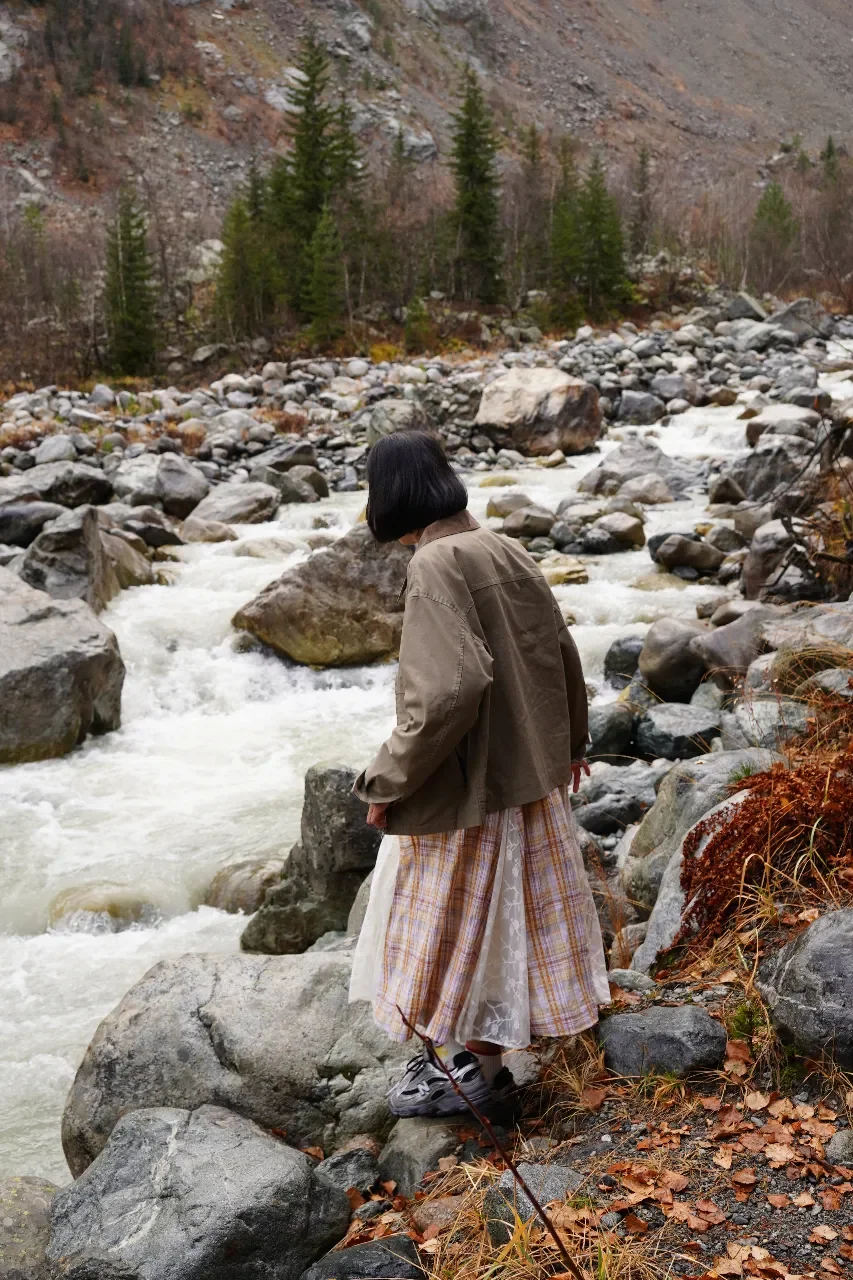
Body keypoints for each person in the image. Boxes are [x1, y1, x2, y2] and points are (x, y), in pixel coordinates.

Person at [349, 429, 609, 1118]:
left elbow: (447, 692)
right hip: (527, 775)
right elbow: (560, 648)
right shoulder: (500, 545)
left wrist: (388, 780)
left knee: (450, 925)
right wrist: (571, 741)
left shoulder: (435, 565)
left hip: (473, 786)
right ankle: (484, 1067)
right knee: (507, 922)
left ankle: (469, 1074)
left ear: (390, 495)